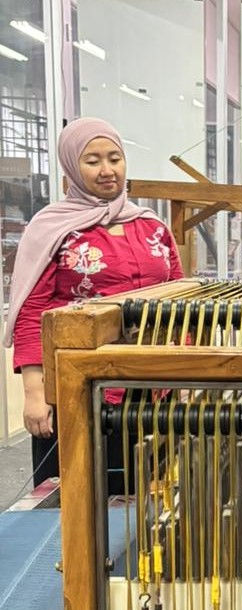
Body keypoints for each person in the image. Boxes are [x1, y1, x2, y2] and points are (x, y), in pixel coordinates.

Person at [4, 117, 184, 493]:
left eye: (115, 158)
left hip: (151, 388)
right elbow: (31, 313)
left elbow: (177, 303)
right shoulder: (53, 229)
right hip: (79, 391)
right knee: (76, 500)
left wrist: (183, 377)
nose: (107, 170)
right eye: (93, 160)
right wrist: (36, 395)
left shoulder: (151, 226)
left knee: (146, 498)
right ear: (71, 166)